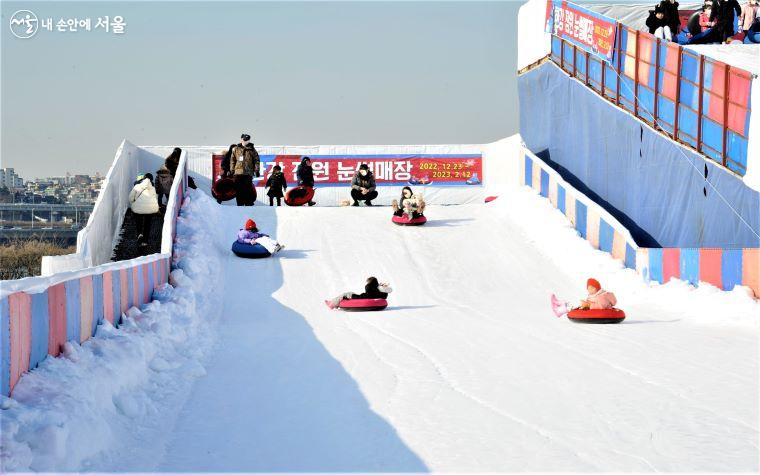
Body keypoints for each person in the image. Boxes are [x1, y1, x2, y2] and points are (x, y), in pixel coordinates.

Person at [223, 133, 260, 206]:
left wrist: (257, 170)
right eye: (245, 140)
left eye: (248, 140)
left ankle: (248, 203)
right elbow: (232, 160)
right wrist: (232, 170)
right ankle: (240, 204)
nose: (246, 141)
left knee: (248, 189)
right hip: (238, 173)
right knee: (239, 189)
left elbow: (256, 160)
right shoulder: (236, 149)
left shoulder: (252, 149)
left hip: (248, 173)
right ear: (241, 139)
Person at [551, 278, 618, 317]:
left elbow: (600, 306)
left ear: (597, 288)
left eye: (592, 288)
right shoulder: (593, 295)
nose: (590, 290)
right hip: (590, 308)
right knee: (576, 303)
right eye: (589, 288)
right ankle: (558, 303)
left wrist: (588, 305)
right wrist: (586, 303)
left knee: (573, 306)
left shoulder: (602, 296)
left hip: (598, 311)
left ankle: (558, 311)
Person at [129, 173, 159, 251]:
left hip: (138, 209)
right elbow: (155, 197)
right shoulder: (152, 188)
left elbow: (130, 198)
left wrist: (133, 203)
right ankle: (145, 241)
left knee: (138, 221)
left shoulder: (137, 186)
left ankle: (140, 234)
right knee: (147, 224)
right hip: (149, 209)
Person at [325, 277, 393, 309]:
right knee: (348, 293)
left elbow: (368, 290)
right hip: (362, 296)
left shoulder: (370, 287)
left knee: (345, 294)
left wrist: (373, 285)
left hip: (360, 297)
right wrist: (381, 288)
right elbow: (385, 296)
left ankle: (331, 304)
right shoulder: (379, 290)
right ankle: (333, 303)